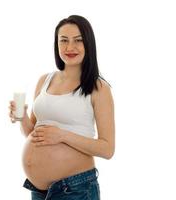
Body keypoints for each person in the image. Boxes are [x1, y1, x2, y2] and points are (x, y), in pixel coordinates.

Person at [8, 15, 115, 200]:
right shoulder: (44, 80)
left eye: (78, 40)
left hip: (75, 189)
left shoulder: (98, 88)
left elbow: (107, 149)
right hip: (38, 190)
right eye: (63, 40)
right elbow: (34, 134)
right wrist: (23, 118)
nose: (69, 47)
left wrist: (63, 135)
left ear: (88, 44)